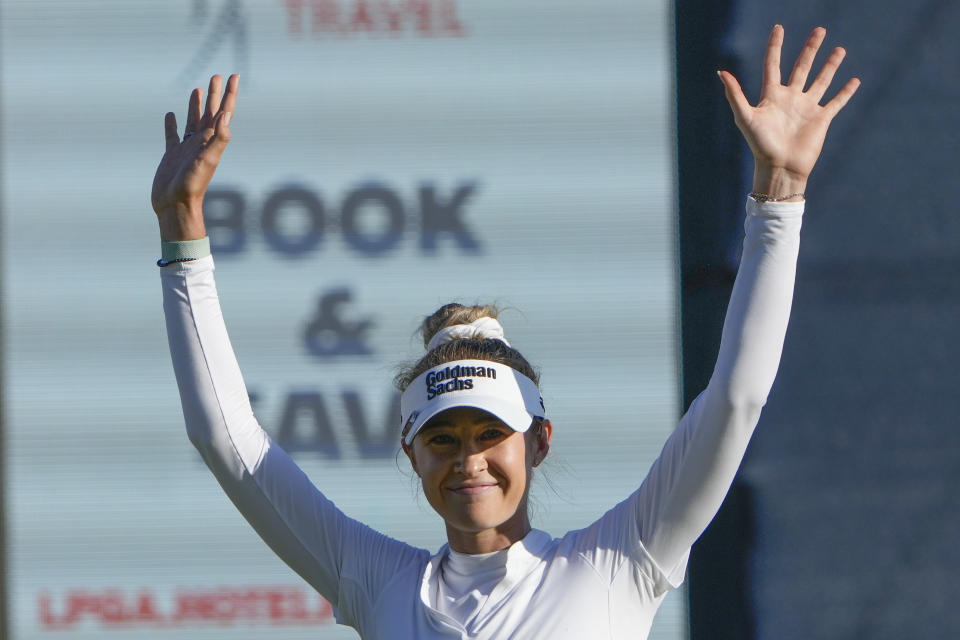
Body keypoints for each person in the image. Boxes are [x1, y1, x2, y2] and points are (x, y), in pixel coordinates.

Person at [152, 25, 859, 639]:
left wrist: (779, 196)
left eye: (491, 433)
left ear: (539, 440)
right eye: (444, 438)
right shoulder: (373, 581)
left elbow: (736, 399)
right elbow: (227, 440)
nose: (470, 460)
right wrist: (182, 226)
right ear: (412, 452)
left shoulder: (621, 560)